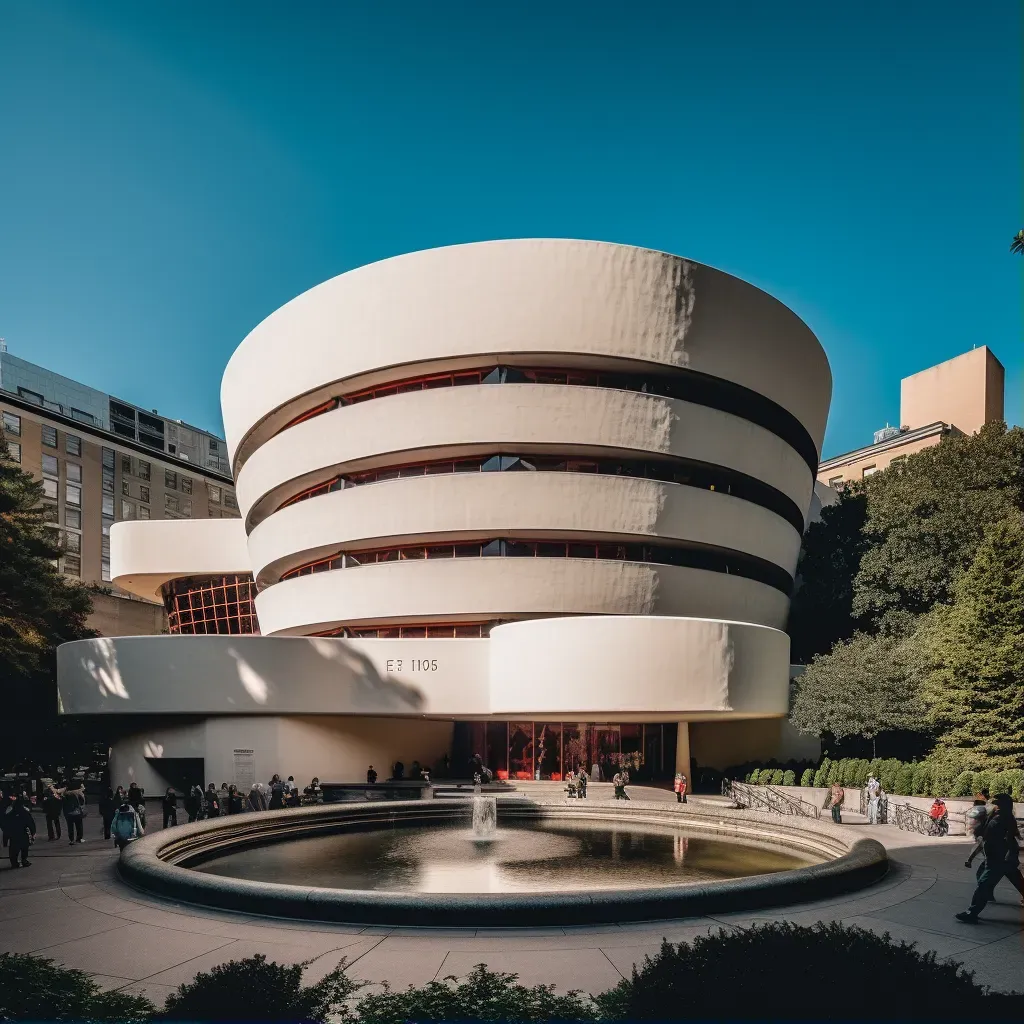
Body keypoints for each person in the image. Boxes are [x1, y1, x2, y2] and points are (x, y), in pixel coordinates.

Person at [958, 794, 1019, 921]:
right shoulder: (996, 817)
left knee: (984, 884)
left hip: (999, 859)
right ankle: (974, 910)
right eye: (996, 803)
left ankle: (972, 912)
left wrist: (1009, 855)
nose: (996, 805)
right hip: (996, 858)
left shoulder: (1003, 819)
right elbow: (984, 840)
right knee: (1013, 880)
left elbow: (1009, 839)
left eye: (999, 803)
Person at [4, 795, 35, 868]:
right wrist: (33, 832)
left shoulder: (10, 813)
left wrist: (5, 838)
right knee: (24, 847)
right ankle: (24, 861)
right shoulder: (25, 812)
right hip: (23, 832)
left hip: (13, 833)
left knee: (13, 849)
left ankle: (14, 863)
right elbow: (30, 823)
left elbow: (6, 826)